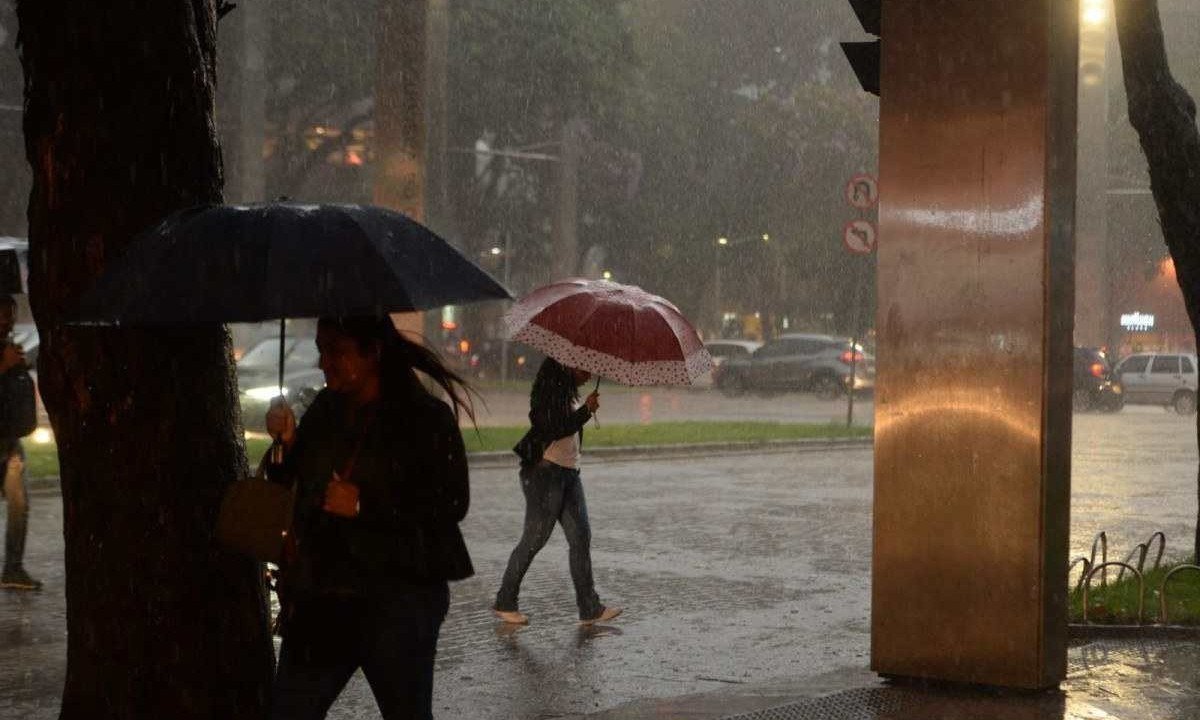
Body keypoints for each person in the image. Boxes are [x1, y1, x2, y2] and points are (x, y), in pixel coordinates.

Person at [265, 315, 474, 720]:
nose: (324, 362)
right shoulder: (326, 409)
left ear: (374, 352)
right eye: (321, 350)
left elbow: (451, 503)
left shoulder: (426, 418)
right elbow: (293, 479)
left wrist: (364, 505)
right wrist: (286, 442)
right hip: (325, 595)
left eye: (337, 352)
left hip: (397, 598)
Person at [493, 358, 622, 626]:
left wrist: (585, 409)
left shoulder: (568, 392)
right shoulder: (547, 392)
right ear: (570, 364)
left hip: (569, 473)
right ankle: (505, 601)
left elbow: (568, 429)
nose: (589, 374)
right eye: (586, 368)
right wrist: (586, 410)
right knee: (535, 537)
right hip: (545, 473)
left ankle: (590, 608)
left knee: (581, 536)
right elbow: (555, 427)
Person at [0, 295, 39, 591]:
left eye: (10, 313)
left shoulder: (8, 344)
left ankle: (13, 568)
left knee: (19, 503)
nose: (8, 320)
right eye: (2, 313)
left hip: (9, 439)